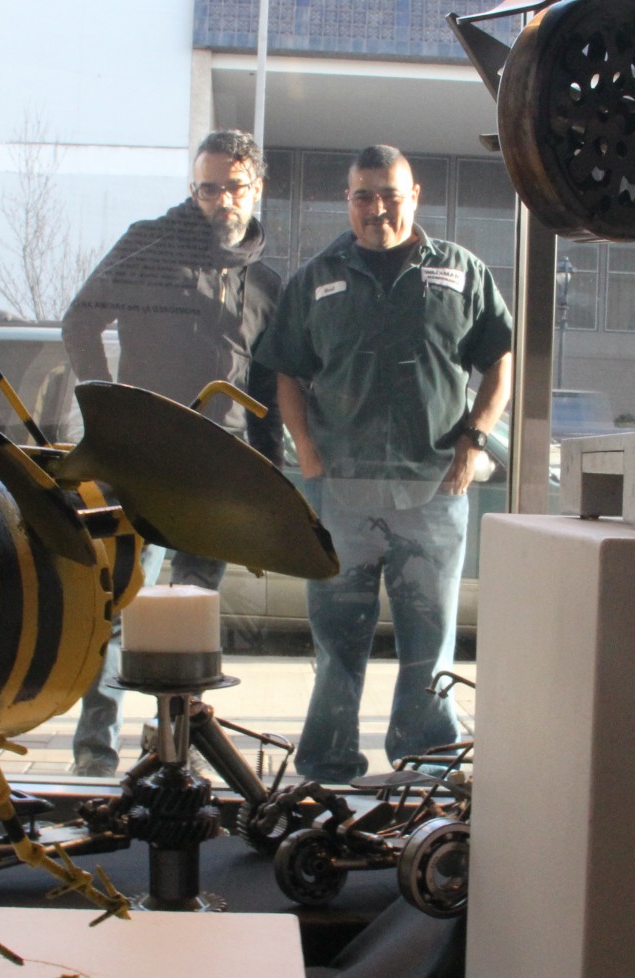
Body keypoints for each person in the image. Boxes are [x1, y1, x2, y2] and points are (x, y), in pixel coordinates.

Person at [254, 144, 513, 783]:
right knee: (337, 636)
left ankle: (425, 759)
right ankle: (327, 760)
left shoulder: (460, 271)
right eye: (364, 196)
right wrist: (308, 453)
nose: (377, 208)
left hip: (435, 489)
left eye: (390, 194)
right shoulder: (315, 279)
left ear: (414, 194)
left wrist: (476, 437)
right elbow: (285, 372)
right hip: (341, 492)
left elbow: (500, 358)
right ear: (348, 201)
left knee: (429, 637)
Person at [61, 129, 283, 776]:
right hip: (146, 466)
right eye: (207, 187)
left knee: (191, 620)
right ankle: (94, 755)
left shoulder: (267, 283)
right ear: (194, 189)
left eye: (232, 187)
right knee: (119, 606)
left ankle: (173, 751)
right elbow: (80, 322)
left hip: (220, 473)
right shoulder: (148, 244)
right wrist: (109, 413)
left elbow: (266, 387)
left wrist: (270, 476)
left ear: (256, 188)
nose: (220, 200)